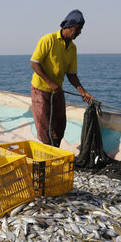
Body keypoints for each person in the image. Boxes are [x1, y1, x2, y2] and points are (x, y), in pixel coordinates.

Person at [30, 9, 94, 147]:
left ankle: (56, 151)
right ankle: (47, 156)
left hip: (57, 91)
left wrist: (83, 92)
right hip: (40, 90)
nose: (79, 33)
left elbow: (71, 74)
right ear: (69, 26)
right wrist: (50, 83)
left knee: (59, 125)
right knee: (45, 128)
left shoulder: (72, 48)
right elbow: (34, 63)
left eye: (81, 29)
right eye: (78, 29)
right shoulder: (48, 39)